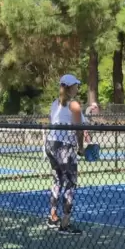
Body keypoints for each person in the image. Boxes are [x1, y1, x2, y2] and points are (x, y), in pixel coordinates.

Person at [46, 74, 85, 234]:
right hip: (65, 147)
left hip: (51, 145)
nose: (78, 88)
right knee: (70, 183)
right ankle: (65, 223)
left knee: (57, 180)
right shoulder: (73, 105)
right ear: (70, 87)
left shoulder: (55, 104)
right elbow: (78, 129)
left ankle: (53, 217)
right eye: (76, 85)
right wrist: (81, 148)